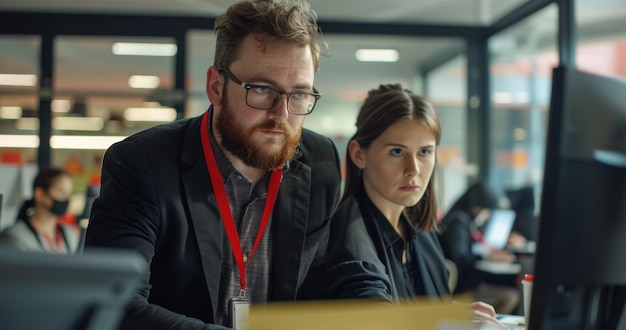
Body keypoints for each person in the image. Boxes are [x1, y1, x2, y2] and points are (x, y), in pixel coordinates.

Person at [84, 0, 341, 329]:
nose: (282, 114)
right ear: (216, 86)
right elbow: (113, 301)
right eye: (262, 89)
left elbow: (328, 281)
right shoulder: (142, 163)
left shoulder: (320, 161)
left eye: (300, 95)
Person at [324, 84, 505, 327]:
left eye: (424, 152)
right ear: (359, 155)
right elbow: (375, 318)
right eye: (397, 152)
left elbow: (417, 306)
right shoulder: (349, 239)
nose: (414, 170)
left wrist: (453, 314)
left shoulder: (419, 231)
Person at [437, 181, 521, 315]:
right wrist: (488, 256)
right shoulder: (458, 222)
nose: (486, 215)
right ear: (477, 206)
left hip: (463, 282)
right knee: (511, 297)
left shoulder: (459, 220)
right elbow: (462, 258)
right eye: (486, 210)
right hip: (460, 288)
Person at [0, 167, 81, 254]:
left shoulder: (71, 236)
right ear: (40, 194)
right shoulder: (14, 236)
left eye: (69, 193)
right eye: (62, 192)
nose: (67, 198)